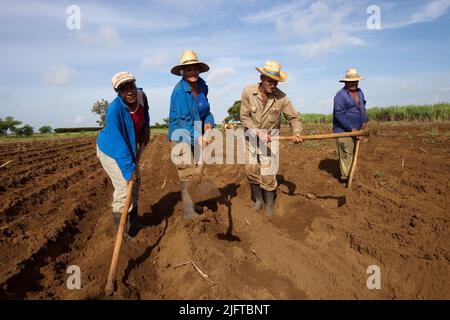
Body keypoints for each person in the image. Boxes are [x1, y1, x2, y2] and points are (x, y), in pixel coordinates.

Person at [240, 60, 303, 216]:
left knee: (268, 173)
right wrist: (257, 132)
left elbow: (293, 117)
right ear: (262, 78)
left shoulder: (282, 98)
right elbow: (244, 116)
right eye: (269, 80)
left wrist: (297, 131)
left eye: (275, 81)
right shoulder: (248, 92)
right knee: (251, 170)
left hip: (271, 139)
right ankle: (258, 200)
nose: (272, 84)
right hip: (251, 137)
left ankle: (269, 204)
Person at [96, 71, 150, 239]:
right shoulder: (114, 110)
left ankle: (134, 221)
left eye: (131, 85)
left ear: (135, 84)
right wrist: (128, 171)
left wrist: (146, 129)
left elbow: (145, 113)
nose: (129, 91)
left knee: (136, 182)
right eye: (123, 88)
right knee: (124, 186)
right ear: (118, 92)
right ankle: (122, 232)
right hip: (111, 150)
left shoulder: (142, 96)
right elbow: (119, 145)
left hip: (129, 145)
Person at [168, 50, 215, 221]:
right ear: (182, 72)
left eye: (195, 68)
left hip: (196, 134)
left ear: (199, 70)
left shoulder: (202, 86)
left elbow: (205, 111)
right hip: (181, 136)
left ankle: (193, 204)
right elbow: (183, 120)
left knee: (197, 171)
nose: (192, 72)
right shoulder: (179, 92)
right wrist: (198, 136)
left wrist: (209, 121)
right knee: (188, 174)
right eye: (188, 69)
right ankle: (189, 213)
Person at [332, 68, 368, 183]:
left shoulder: (360, 92)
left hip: (357, 130)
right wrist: (352, 129)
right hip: (344, 130)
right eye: (351, 81)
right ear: (346, 82)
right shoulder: (340, 95)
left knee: (352, 154)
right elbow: (339, 114)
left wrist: (363, 124)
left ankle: (351, 177)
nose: (353, 83)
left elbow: (362, 108)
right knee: (346, 154)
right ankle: (346, 180)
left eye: (355, 81)